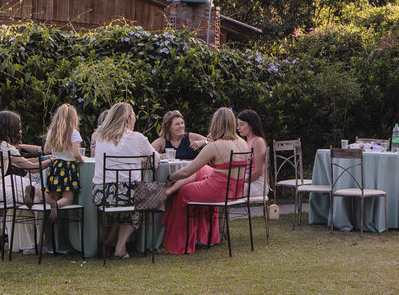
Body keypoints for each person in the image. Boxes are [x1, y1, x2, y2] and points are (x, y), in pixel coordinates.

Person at [163, 108, 250, 255]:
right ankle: (205, 236)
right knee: (203, 171)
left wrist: (170, 178)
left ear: (215, 123)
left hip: (218, 192)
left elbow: (187, 171)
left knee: (183, 192)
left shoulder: (214, 146)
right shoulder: (243, 143)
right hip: (236, 192)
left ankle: (180, 242)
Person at [0, 110, 51, 254]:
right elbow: (31, 169)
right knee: (37, 197)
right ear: (9, 128)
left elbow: (23, 162)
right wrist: (53, 161)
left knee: (16, 182)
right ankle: (31, 245)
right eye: (18, 127)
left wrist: (45, 159)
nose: (20, 131)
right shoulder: (3, 146)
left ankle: (20, 244)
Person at [93, 102, 158, 259]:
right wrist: (142, 160)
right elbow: (155, 160)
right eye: (134, 115)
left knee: (125, 202)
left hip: (101, 194)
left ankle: (110, 242)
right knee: (142, 198)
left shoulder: (99, 137)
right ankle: (120, 247)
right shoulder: (137, 138)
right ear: (128, 118)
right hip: (128, 194)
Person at [42, 104, 84, 223]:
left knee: (54, 195)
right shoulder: (74, 133)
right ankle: (57, 205)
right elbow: (76, 154)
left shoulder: (52, 132)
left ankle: (39, 194)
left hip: (55, 166)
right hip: (68, 167)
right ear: (73, 118)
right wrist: (82, 160)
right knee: (67, 198)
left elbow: (46, 150)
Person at [236, 109, 269, 199]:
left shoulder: (258, 142)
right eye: (238, 125)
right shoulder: (245, 142)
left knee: (226, 191)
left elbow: (259, 171)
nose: (238, 128)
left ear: (251, 125)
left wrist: (242, 182)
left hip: (256, 184)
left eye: (241, 125)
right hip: (245, 180)